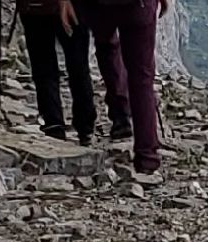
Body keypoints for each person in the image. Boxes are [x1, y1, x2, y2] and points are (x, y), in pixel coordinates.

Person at [18, 0, 126, 145]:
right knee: (78, 65)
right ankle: (85, 125)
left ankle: (53, 122)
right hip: (73, 6)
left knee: (43, 65)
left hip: (34, 6)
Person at [77, 0, 167, 173]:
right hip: (138, 6)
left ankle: (120, 115)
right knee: (142, 77)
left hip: (99, 7)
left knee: (106, 46)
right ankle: (147, 155)